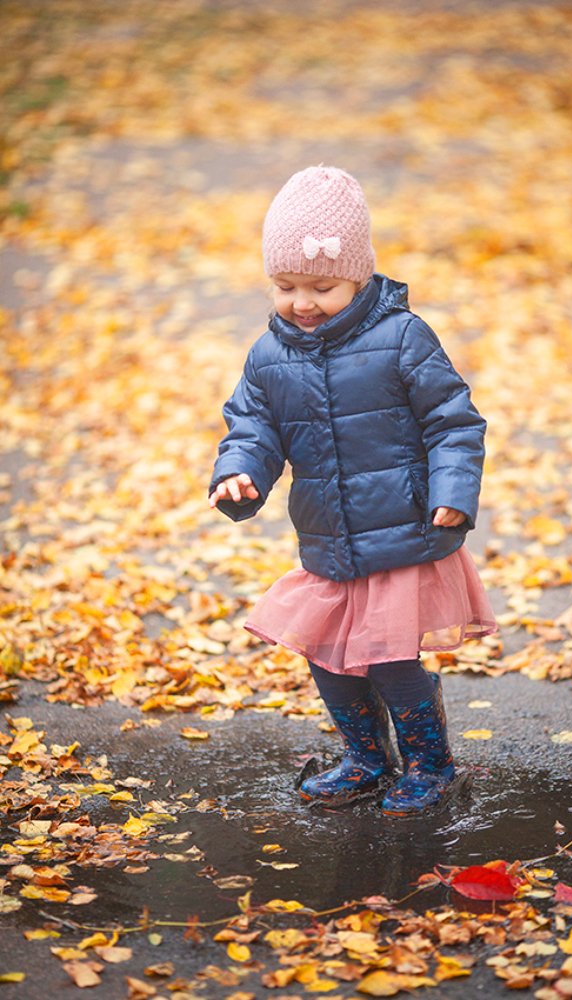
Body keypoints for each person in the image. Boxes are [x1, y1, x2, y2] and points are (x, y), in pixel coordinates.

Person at [208, 165, 496, 817]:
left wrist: (451, 492)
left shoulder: (402, 338)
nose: (301, 302)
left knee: (390, 659)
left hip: (401, 535)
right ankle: (366, 758)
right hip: (328, 542)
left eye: (321, 286)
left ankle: (430, 763)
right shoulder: (268, 355)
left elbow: (452, 421)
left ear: (359, 277)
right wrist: (240, 472)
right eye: (285, 286)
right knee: (328, 659)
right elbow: (252, 425)